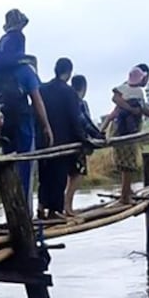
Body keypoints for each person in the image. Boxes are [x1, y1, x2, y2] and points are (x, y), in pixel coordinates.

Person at [0, 47, 53, 212]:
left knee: (8, 170)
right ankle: (26, 216)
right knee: (26, 172)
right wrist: (46, 126)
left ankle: (11, 215)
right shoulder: (25, 71)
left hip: (3, 130)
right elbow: (37, 101)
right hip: (24, 128)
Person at [100, 64, 149, 204]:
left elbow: (142, 109)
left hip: (120, 131)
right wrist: (131, 110)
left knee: (125, 162)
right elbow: (137, 107)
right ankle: (125, 197)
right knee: (129, 164)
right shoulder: (135, 90)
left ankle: (126, 191)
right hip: (126, 132)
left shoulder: (127, 89)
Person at [37, 58, 86, 218]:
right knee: (59, 177)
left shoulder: (42, 89)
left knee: (45, 175)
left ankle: (41, 206)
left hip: (44, 140)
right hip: (63, 140)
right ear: (69, 72)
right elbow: (74, 117)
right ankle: (55, 211)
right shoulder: (68, 92)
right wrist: (83, 139)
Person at [64, 75, 102, 215]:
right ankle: (68, 206)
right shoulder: (79, 102)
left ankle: (67, 205)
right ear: (83, 87)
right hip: (78, 142)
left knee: (71, 174)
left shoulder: (67, 100)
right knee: (78, 174)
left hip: (66, 141)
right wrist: (98, 136)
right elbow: (85, 122)